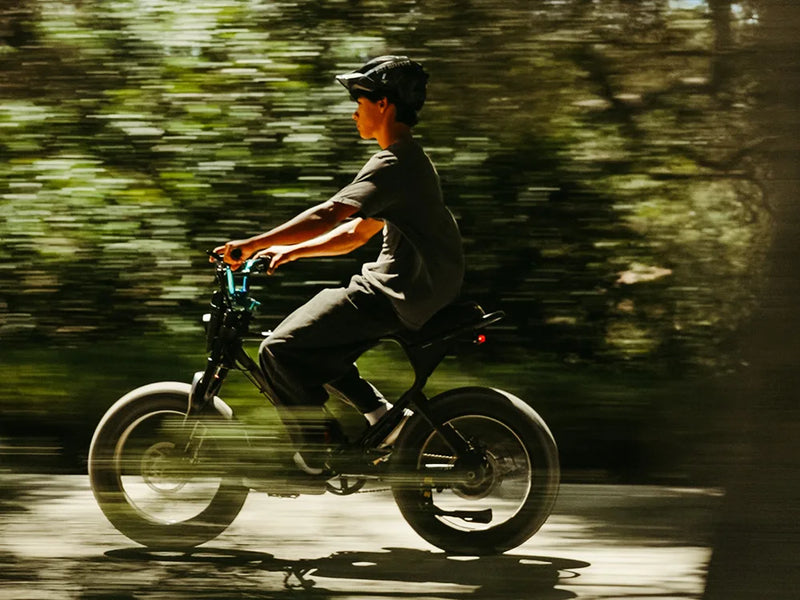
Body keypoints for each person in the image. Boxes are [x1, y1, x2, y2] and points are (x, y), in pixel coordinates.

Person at [214, 55, 464, 474]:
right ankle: (385, 420)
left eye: (360, 101)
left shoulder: (394, 162)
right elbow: (356, 234)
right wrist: (292, 251)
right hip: (418, 288)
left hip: (397, 289)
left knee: (278, 349)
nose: (354, 112)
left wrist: (252, 244)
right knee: (312, 345)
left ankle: (317, 451)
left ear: (383, 104)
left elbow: (331, 214)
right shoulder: (408, 162)